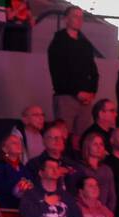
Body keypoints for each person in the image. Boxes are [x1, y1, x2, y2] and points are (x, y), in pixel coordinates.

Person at [46, 5, 99, 148]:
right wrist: (77, 92)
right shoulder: (58, 43)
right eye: (75, 16)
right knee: (62, 136)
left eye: (81, 17)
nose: (79, 20)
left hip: (85, 99)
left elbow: (93, 71)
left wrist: (92, 92)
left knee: (80, 139)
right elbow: (58, 73)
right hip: (66, 97)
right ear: (66, 19)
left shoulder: (85, 44)